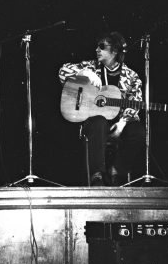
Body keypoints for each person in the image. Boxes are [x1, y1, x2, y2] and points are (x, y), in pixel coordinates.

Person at [58, 31, 145, 186]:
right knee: (99, 121)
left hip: (119, 123)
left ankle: (117, 171)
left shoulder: (132, 76)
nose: (97, 49)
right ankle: (97, 175)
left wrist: (123, 123)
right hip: (95, 122)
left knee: (138, 132)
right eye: (97, 46)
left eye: (102, 46)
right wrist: (83, 73)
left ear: (115, 51)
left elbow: (136, 101)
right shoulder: (91, 66)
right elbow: (62, 70)